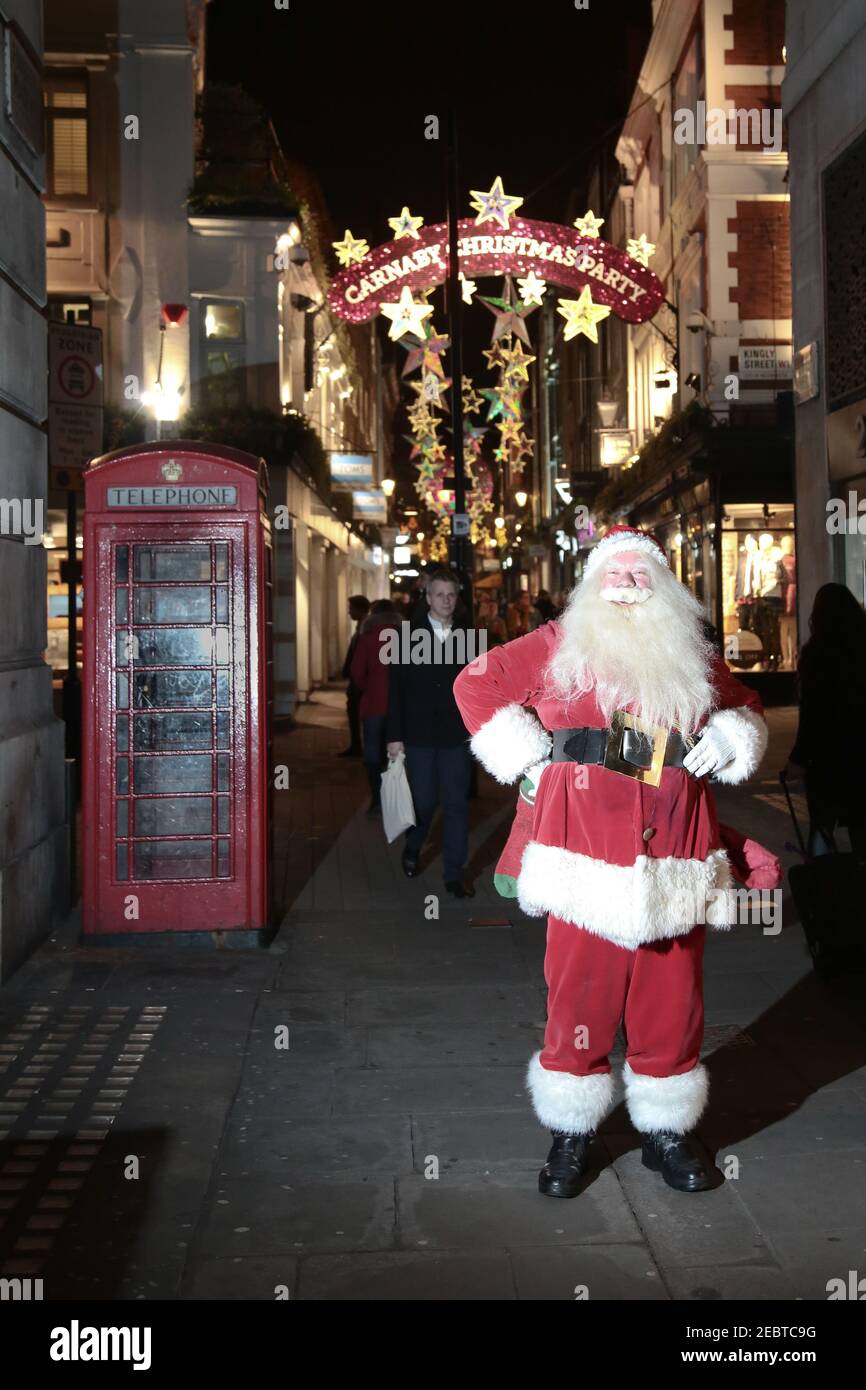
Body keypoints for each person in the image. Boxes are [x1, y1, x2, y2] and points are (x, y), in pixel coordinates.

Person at [454, 524, 769, 1198]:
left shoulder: (693, 652)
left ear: (663, 586)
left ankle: (665, 1131)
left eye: (640, 575)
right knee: (579, 997)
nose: (627, 586)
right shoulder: (554, 645)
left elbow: (747, 706)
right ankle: (572, 1129)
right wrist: (529, 758)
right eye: (615, 575)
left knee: (673, 1001)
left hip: (677, 858)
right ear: (594, 585)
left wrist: (727, 733)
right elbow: (474, 687)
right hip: (581, 861)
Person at [385, 567, 475, 898]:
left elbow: (479, 687)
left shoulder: (469, 636)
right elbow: (394, 691)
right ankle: (413, 846)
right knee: (423, 803)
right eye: (440, 594)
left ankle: (454, 874)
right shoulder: (407, 636)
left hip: (456, 737)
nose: (446, 600)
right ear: (427, 597)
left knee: (456, 806)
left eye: (451, 594)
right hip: (418, 735)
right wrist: (394, 737)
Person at [784, 582, 866, 856]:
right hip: (861, 755)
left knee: (821, 827)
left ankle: (824, 890)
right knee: (861, 827)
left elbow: (813, 715)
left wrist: (798, 758)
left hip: (827, 759)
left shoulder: (817, 654)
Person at [351, 599, 400, 816]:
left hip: (373, 703)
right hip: (400, 705)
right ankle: (396, 799)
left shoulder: (367, 638)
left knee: (372, 752)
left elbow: (357, 673)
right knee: (397, 753)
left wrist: (369, 687)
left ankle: (377, 799)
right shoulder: (405, 637)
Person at [338, 594, 370, 757]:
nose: (349, 612)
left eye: (351, 608)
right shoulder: (361, 626)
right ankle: (357, 745)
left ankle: (358, 746)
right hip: (358, 678)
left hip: (360, 680)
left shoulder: (365, 628)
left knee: (356, 713)